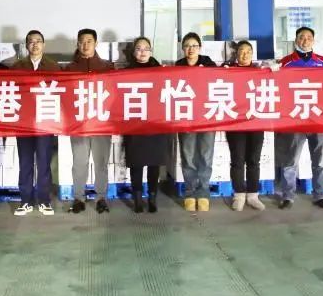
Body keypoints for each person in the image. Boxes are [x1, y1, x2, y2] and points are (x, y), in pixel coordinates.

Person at [275, 26, 323, 210]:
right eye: (302, 37)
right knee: (290, 161)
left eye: (309, 37)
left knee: (320, 160)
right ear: (296, 40)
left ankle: (320, 195)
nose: (305, 40)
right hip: (294, 119)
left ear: (313, 41)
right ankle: (287, 196)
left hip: (318, 118)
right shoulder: (285, 63)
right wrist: (268, 69)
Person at [8, 30, 61, 216]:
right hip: (24, 123)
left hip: (45, 121)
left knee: (44, 162)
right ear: (26, 45)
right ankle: (26, 201)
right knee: (25, 162)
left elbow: (62, 93)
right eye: (31, 41)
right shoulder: (17, 67)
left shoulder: (53, 67)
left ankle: (44, 200)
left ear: (44, 45)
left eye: (38, 41)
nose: (35, 44)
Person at [67, 28, 115, 214]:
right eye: (82, 41)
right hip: (79, 125)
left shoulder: (107, 67)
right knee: (79, 163)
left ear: (96, 43)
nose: (85, 45)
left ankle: (101, 197)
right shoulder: (69, 69)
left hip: (101, 124)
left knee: (101, 162)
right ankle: (78, 198)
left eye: (89, 41)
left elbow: (115, 95)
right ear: (77, 44)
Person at [121, 36, 170, 213]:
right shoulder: (125, 73)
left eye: (146, 49)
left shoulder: (161, 71)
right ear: (133, 52)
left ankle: (152, 197)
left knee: (153, 162)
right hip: (134, 123)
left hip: (155, 123)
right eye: (138, 49)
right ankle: (137, 198)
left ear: (151, 51)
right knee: (136, 162)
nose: (142, 52)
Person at [175, 32, 218, 212]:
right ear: (182, 49)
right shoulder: (178, 66)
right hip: (186, 118)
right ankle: (190, 192)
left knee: (206, 156)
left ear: (200, 48)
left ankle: (204, 193)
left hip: (207, 117)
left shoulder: (209, 64)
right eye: (187, 46)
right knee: (188, 156)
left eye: (194, 46)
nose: (191, 49)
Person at [224, 40, 266, 211]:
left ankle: (253, 195)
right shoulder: (228, 70)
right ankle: (239, 195)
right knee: (237, 159)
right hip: (235, 123)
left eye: (248, 51)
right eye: (242, 50)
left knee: (254, 160)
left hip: (255, 121)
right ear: (236, 53)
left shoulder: (260, 71)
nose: (245, 54)